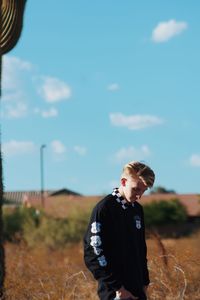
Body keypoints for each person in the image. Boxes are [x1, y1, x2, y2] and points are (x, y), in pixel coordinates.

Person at [83, 161, 155, 300]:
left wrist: (145, 282)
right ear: (123, 182)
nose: (139, 196)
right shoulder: (105, 208)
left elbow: (140, 248)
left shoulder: (137, 210)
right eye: (136, 189)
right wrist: (117, 287)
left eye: (144, 191)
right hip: (116, 293)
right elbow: (92, 252)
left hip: (137, 290)